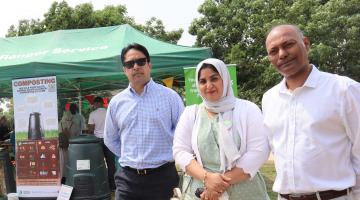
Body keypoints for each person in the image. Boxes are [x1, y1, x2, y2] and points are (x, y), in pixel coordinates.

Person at [262, 24, 360, 200]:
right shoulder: (270, 99)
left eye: (288, 45)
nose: (282, 54)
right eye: (273, 51)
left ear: (306, 44)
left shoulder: (344, 90)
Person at [173, 58, 270, 200]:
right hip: (202, 192)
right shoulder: (191, 113)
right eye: (203, 81)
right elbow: (180, 151)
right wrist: (207, 178)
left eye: (214, 78)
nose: (209, 85)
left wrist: (217, 185)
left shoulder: (248, 109)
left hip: (245, 192)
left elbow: (259, 151)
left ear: (225, 79)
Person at [104, 43, 184, 200]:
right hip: (128, 179)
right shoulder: (116, 102)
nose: (135, 67)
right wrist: (130, 156)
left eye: (140, 62)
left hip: (162, 177)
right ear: (124, 70)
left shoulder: (170, 97)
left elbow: (182, 134)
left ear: (149, 65)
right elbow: (110, 138)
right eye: (129, 64)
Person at [88, 96, 116, 191]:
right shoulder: (109, 112)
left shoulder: (92, 114)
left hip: (97, 141)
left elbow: (91, 129)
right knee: (111, 164)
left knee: (97, 163)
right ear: (102, 103)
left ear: (96, 103)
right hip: (109, 140)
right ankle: (112, 186)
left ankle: (100, 186)